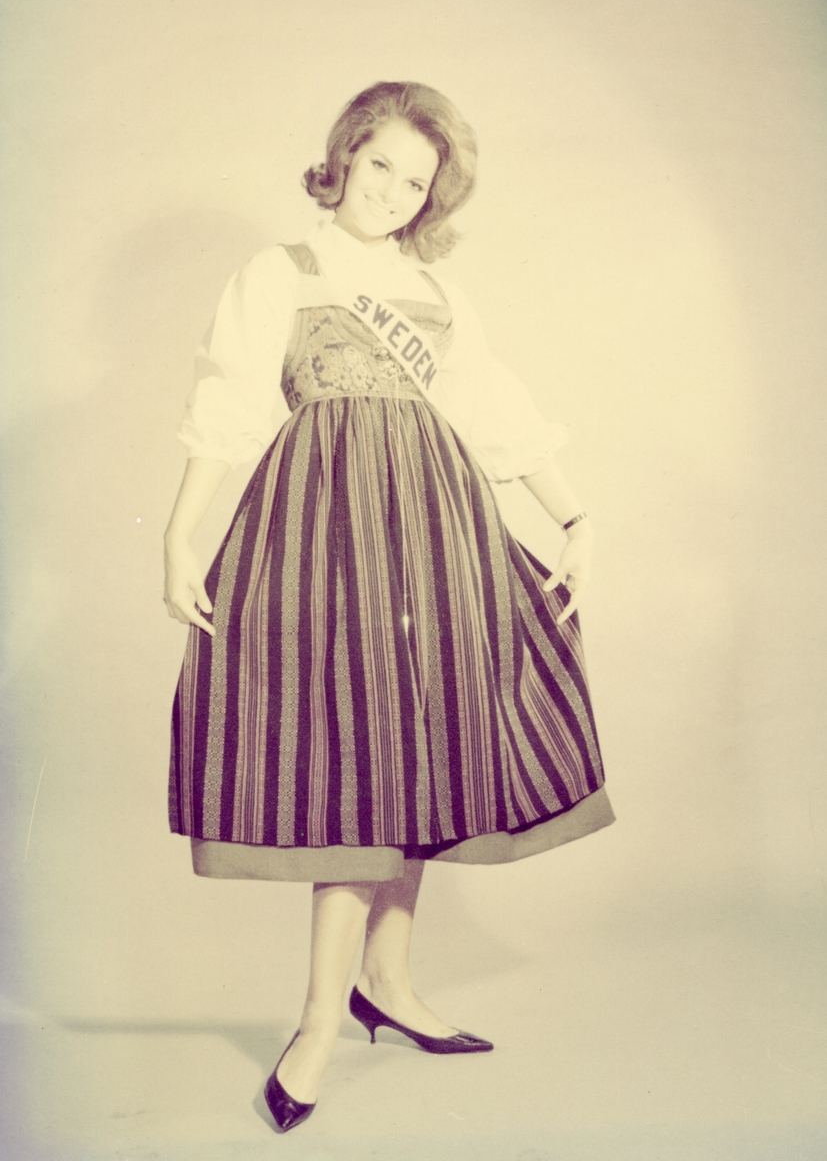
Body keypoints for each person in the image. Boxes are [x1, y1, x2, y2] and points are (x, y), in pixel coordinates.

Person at [163, 81, 613, 1132]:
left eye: (416, 183)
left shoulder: (437, 294)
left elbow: (492, 412)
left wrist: (575, 516)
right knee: (357, 760)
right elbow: (229, 404)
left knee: (421, 748)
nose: (394, 193)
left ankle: (388, 983)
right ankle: (319, 1022)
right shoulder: (281, 272)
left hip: (437, 533)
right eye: (380, 167)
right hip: (324, 534)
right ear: (343, 157)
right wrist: (180, 535)